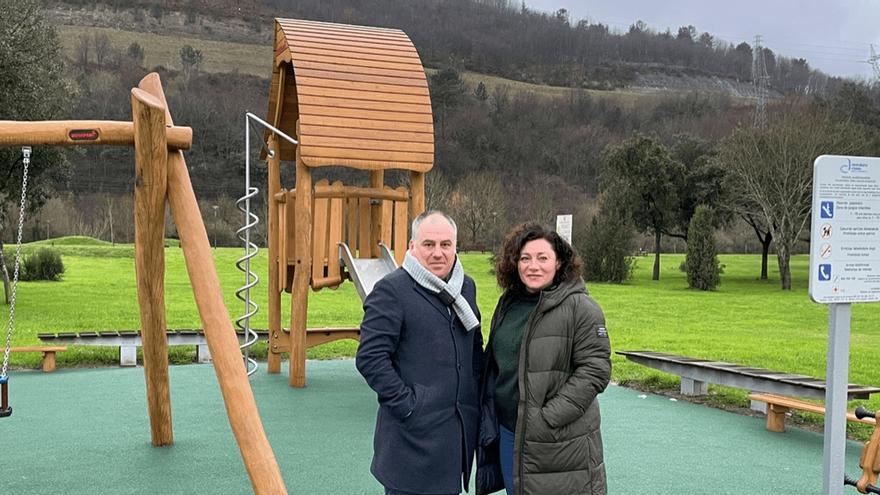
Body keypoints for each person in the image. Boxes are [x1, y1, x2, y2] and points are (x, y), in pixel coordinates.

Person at [476, 223, 611, 495]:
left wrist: (547, 418)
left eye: (542, 258)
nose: (532, 266)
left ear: (559, 262)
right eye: (525, 258)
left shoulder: (582, 308)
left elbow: (596, 369)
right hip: (509, 431)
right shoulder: (509, 303)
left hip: (557, 437)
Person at [356, 210, 483, 495]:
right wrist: (409, 405)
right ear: (412, 247)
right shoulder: (392, 290)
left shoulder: (465, 287)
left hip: (455, 438)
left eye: (446, 244)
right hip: (411, 444)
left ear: (455, 247)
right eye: (429, 244)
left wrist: (473, 392)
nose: (438, 253)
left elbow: (474, 345)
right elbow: (371, 358)